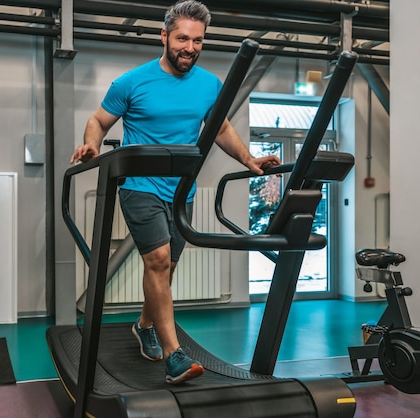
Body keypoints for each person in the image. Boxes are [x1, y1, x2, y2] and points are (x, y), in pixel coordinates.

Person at [70, 0, 281, 385]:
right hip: (139, 186)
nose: (190, 47)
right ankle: (174, 357)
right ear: (164, 36)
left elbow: (219, 130)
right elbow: (98, 120)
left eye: (198, 40)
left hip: (181, 190)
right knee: (159, 260)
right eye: (183, 38)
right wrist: (91, 145)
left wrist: (249, 160)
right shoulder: (132, 82)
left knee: (168, 267)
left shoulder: (208, 84)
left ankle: (144, 325)